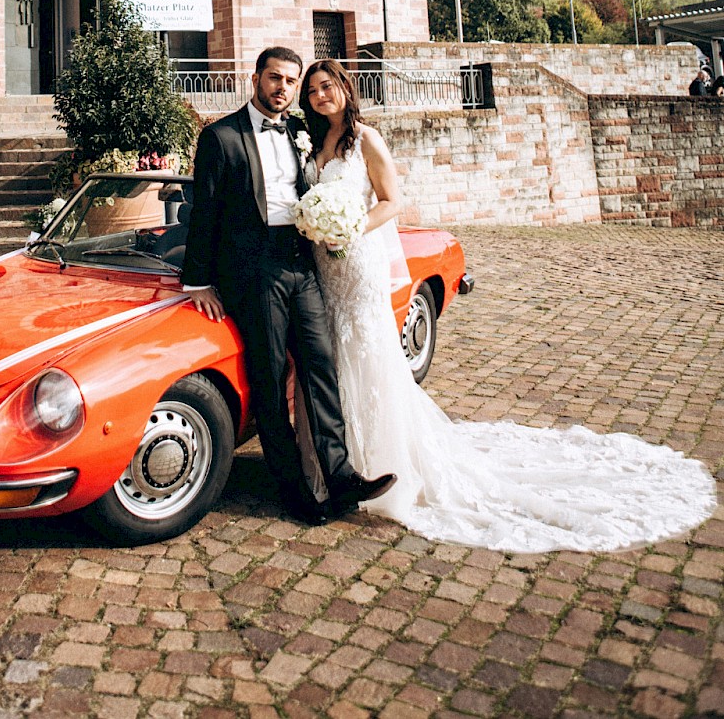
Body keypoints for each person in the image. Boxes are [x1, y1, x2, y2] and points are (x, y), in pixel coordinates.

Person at [298, 57, 717, 553]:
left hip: (358, 258)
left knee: (366, 352)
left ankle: (379, 461)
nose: (320, 95)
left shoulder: (366, 139)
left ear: (345, 89)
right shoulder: (311, 143)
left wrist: (351, 228)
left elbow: (391, 200)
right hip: (325, 266)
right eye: (313, 90)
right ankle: (333, 464)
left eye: (327, 86)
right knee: (332, 359)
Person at [181, 46, 396, 524]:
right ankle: (294, 488)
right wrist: (198, 282)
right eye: (275, 78)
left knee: (321, 368)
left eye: (291, 81)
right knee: (271, 377)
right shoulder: (220, 137)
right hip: (254, 271)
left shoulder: (303, 131)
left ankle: (340, 478)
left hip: (303, 263)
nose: (284, 89)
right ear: (256, 78)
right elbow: (205, 214)